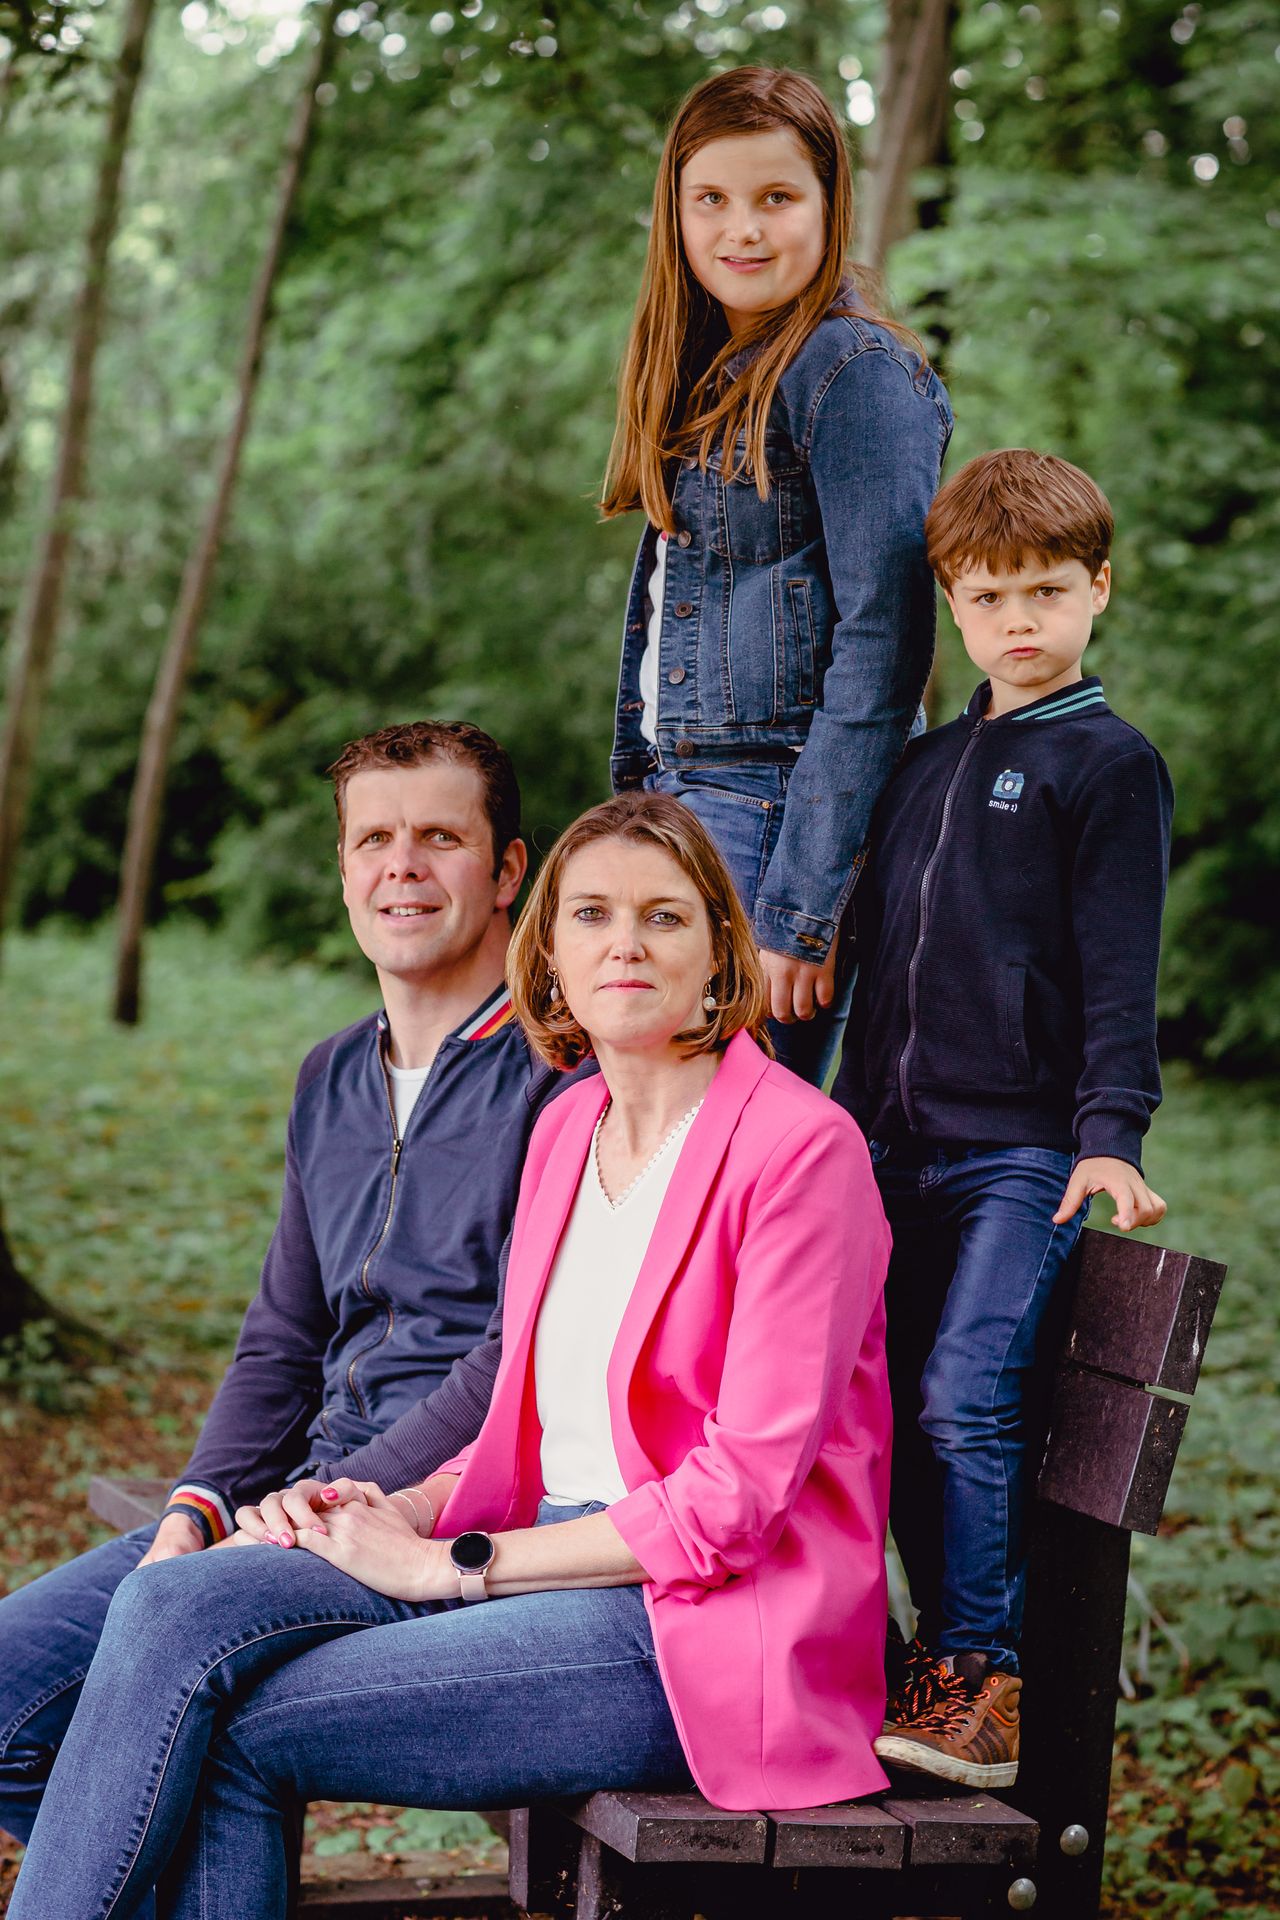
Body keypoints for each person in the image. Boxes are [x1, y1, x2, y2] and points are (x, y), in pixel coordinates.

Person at [9, 792, 892, 1919]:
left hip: (692, 1630)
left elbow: (737, 1501)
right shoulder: (569, 1130)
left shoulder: (798, 1153)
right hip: (526, 1561)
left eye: (663, 918)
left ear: (720, 953)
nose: (624, 942)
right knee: (174, 1607)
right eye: (591, 915)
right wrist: (377, 1510)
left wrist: (450, 1564)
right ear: (550, 954)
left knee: (217, 1710)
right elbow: (521, 1405)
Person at [0, 718, 568, 1860]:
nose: (399, 866)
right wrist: (198, 1508)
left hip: (449, 1518)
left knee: (193, 1710)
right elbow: (281, 1339)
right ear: (344, 867)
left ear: (508, 869)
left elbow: (518, 1363)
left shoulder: (561, 1080)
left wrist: (331, 1507)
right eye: (372, 840)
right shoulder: (331, 1077)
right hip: (294, 1505)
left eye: (439, 838)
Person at [832, 449, 1174, 1786]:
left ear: (1100, 589)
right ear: (952, 608)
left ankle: (984, 1673)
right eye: (988, 597)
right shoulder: (918, 767)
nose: (1019, 620)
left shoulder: (1108, 766)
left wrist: (1110, 1133)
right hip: (887, 1151)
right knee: (889, 1407)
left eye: (1046, 590)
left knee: (968, 1398)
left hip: (1019, 1154)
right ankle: (919, 1650)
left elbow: (1118, 973)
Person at [604, 65, 952, 1084]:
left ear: (827, 205)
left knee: (720, 1148)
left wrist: (803, 909)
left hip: (773, 819)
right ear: (673, 212)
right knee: (644, 1135)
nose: (740, 229)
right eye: (709, 199)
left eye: (775, 198)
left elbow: (884, 651)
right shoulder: (716, 370)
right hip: (685, 801)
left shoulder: (850, 373)